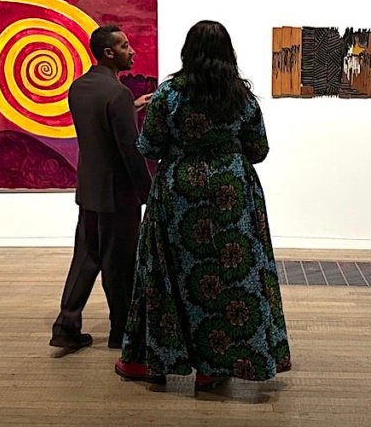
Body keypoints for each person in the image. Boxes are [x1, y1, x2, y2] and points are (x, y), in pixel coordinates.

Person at [115, 20, 291, 390]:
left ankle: (155, 360)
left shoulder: (169, 95)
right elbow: (259, 149)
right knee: (232, 275)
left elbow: (149, 146)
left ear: (187, 52)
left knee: (169, 274)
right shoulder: (241, 97)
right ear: (228, 53)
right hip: (231, 193)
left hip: (179, 192)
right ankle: (216, 367)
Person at [50, 25, 153, 353]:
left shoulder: (79, 88)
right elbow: (130, 150)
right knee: (119, 266)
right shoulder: (117, 94)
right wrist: (148, 193)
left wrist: (130, 107)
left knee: (85, 258)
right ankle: (120, 332)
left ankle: (66, 327)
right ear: (108, 53)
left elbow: (98, 125)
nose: (131, 50)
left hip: (90, 191)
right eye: (124, 46)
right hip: (117, 196)